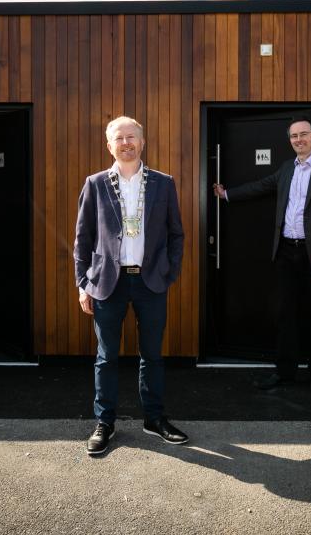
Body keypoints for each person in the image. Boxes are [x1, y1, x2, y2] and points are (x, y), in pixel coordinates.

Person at [74, 116, 187, 456]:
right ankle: (104, 423)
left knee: (151, 355)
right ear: (110, 146)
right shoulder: (94, 184)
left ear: (142, 142)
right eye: (118, 138)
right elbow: (83, 238)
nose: (125, 143)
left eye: (131, 137)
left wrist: (169, 273)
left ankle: (154, 418)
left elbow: (176, 234)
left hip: (151, 282)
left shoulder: (163, 184)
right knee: (106, 357)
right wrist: (83, 284)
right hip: (108, 283)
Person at [213, 117, 311, 392]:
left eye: (303, 134)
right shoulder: (287, 169)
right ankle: (285, 372)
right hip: (286, 251)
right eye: (294, 136)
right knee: (286, 314)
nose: (299, 140)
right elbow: (261, 185)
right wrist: (228, 195)